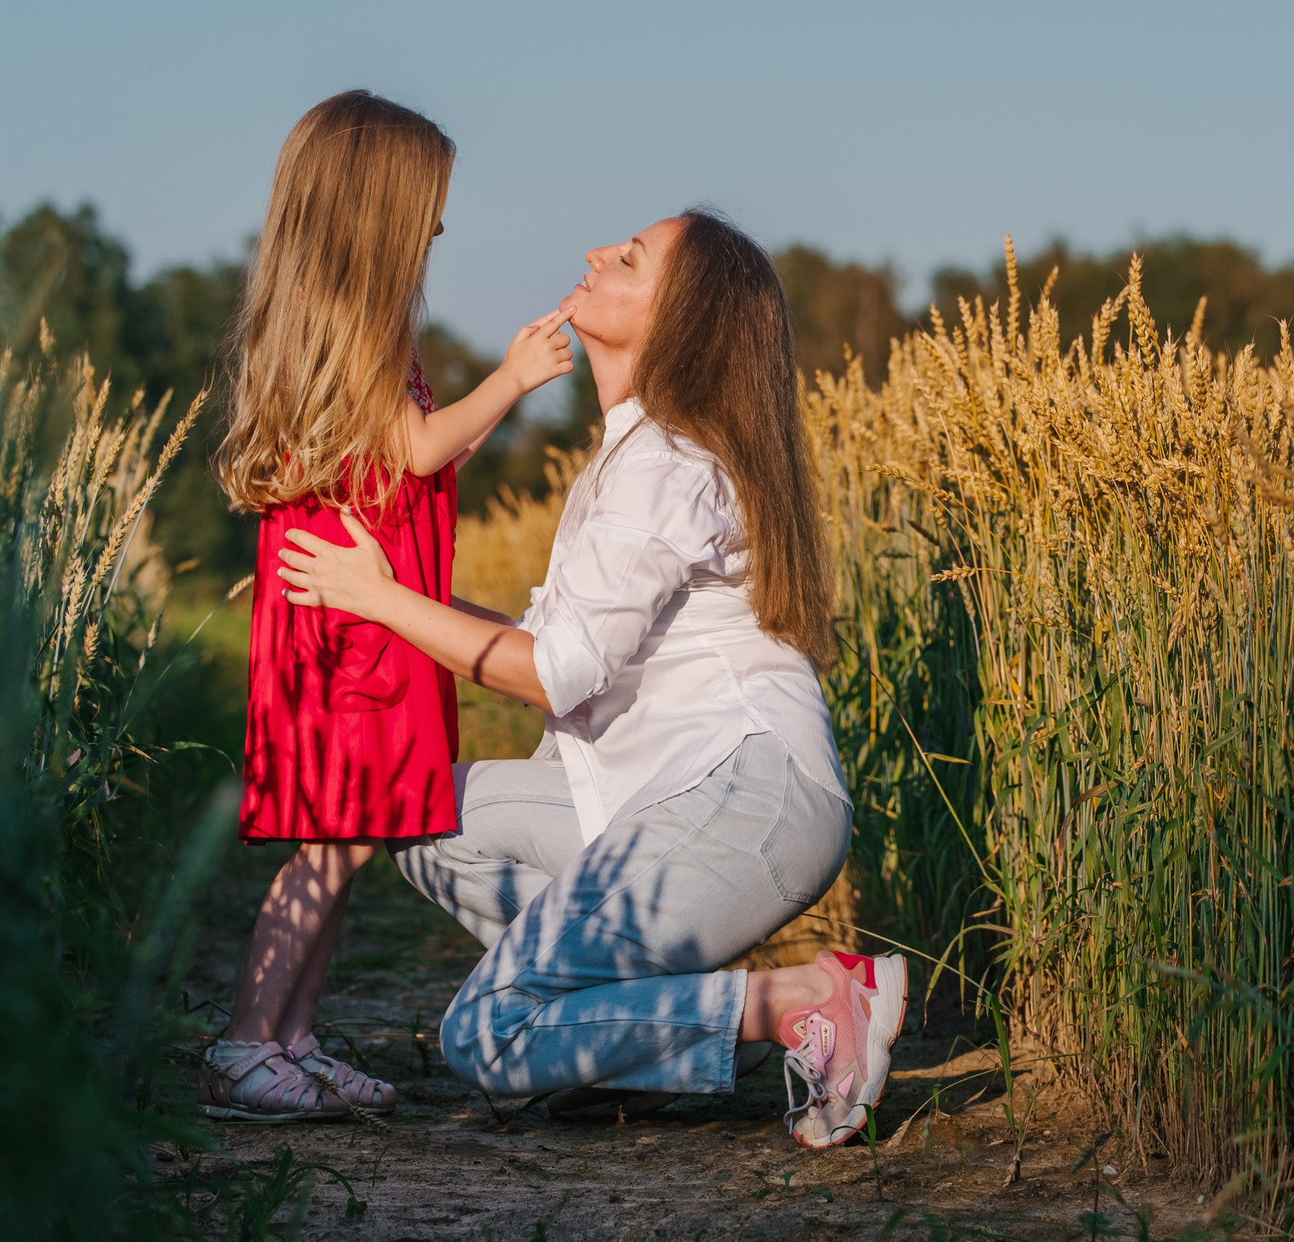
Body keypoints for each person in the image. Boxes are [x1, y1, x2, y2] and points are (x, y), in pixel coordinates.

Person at [276, 209, 904, 1148]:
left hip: (745, 795)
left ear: (677, 321)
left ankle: (803, 1001)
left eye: (628, 260)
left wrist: (380, 600)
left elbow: (557, 673)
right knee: (415, 812)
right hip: (661, 795)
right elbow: (546, 643)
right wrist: (392, 596)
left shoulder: (668, 466)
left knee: (487, 1035)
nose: (592, 255)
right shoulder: (626, 457)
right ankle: (629, 1042)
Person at [200, 90, 576, 1121]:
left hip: (362, 616)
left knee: (347, 839)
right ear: (374, 209)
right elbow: (415, 449)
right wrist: (511, 379)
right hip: (348, 632)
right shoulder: (347, 327)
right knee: (326, 841)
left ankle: (292, 1037)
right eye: (427, 203)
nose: (440, 224)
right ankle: (243, 1040)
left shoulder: (340, 326)